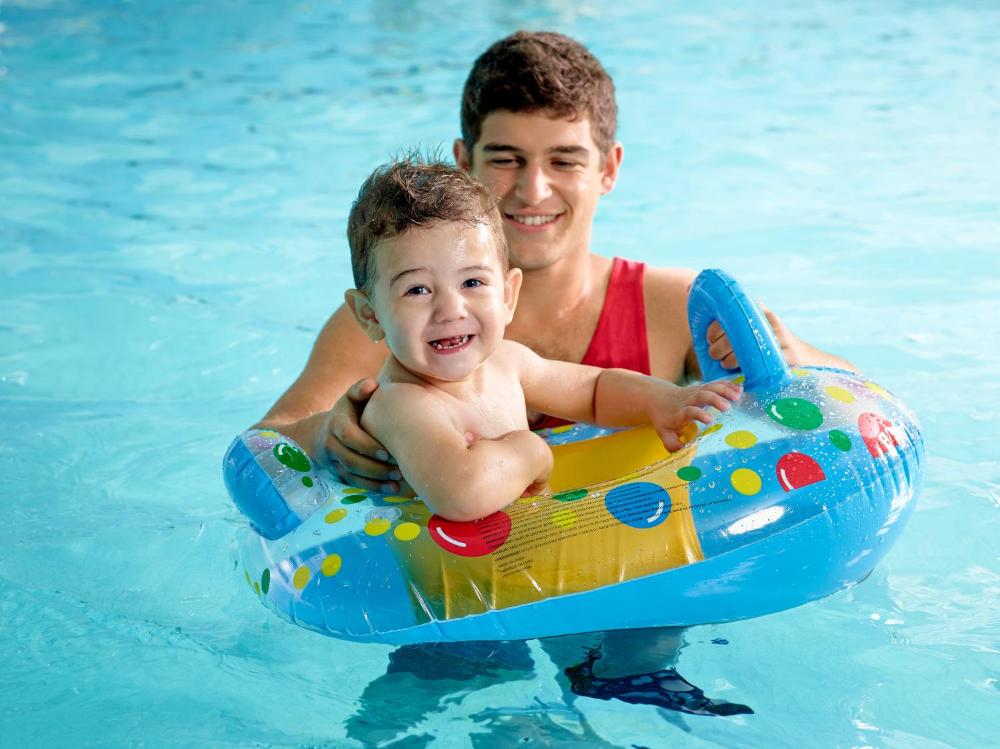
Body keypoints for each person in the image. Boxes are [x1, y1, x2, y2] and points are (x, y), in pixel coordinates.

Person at [256, 30, 854, 716]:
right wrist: (330, 432)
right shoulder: (389, 325)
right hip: (463, 603)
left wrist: (786, 354)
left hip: (632, 601)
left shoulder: (670, 307)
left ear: (609, 168)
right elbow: (269, 443)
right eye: (505, 158)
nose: (532, 188)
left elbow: (847, 395)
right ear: (464, 163)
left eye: (564, 159)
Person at [341, 156, 742, 520]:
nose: (451, 309)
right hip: (451, 574)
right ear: (370, 315)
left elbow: (593, 391)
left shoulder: (506, 362)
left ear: (507, 296)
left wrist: (664, 401)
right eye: (417, 290)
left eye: (472, 282)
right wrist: (531, 451)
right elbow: (462, 494)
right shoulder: (401, 404)